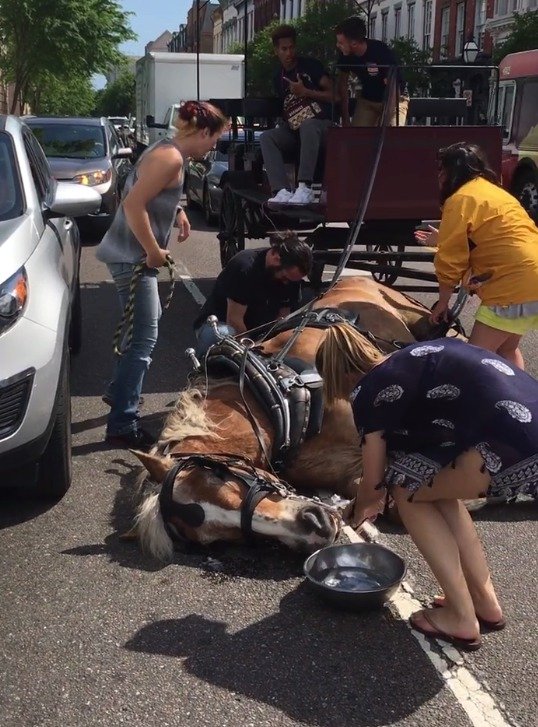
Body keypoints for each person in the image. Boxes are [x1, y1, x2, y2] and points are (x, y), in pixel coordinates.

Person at [316, 323, 538, 651]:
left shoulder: (368, 391)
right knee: (434, 489)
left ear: (341, 376)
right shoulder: (407, 359)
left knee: (406, 491)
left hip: (511, 445)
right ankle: (484, 604)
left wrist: (359, 510)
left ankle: (461, 618)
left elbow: (376, 482)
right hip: (527, 428)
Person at [96, 100, 229, 449]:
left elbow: (148, 190)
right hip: (133, 257)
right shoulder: (170, 157)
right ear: (203, 131)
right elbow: (132, 203)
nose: (213, 146)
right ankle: (123, 422)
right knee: (144, 339)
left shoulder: (166, 151)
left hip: (132, 256)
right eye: (214, 139)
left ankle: (118, 390)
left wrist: (179, 209)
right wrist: (154, 251)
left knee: (147, 320)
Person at [416, 142, 538, 370]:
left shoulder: (459, 199)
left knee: (473, 361)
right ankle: (520, 402)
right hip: (532, 278)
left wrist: (443, 302)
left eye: (442, 170)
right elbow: (492, 233)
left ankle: (482, 405)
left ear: (451, 173)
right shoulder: (492, 191)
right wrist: (441, 238)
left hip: (511, 286)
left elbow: (451, 259)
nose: (440, 177)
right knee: (507, 350)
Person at [193, 232, 312, 353]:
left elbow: (282, 319)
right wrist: (254, 351)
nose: (287, 284)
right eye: (285, 278)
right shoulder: (244, 267)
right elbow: (234, 320)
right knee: (224, 334)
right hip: (223, 325)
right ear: (276, 257)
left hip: (258, 332)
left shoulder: (291, 279)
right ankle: (203, 368)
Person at [260, 25, 335, 206]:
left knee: (308, 124)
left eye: (292, 47)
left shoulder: (311, 66)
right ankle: (281, 190)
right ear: (276, 51)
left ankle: (305, 187)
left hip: (322, 127)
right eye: (284, 49)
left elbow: (336, 95)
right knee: (267, 137)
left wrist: (306, 92)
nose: (289, 53)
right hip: (296, 129)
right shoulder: (277, 76)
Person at [335, 16, 408, 127]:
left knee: (393, 133)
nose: (338, 45)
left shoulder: (381, 51)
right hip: (368, 100)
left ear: (354, 43)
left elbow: (393, 88)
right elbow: (342, 84)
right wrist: (345, 118)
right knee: (357, 137)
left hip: (395, 98)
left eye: (341, 43)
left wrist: (385, 122)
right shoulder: (345, 55)